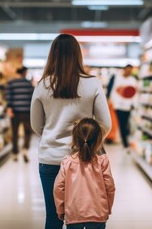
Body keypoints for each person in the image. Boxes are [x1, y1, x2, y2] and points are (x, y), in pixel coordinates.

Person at [30, 34, 111, 229]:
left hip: (50, 159)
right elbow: (105, 124)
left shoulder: (43, 84)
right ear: (78, 55)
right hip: (84, 160)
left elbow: (35, 125)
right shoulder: (92, 83)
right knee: (85, 217)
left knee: (53, 218)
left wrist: (52, 134)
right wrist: (89, 143)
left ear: (53, 55)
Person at [53, 118, 115, 229]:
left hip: (73, 214)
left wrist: (60, 209)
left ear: (76, 139)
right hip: (98, 214)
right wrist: (107, 208)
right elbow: (110, 187)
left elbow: (58, 188)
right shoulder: (102, 162)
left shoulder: (67, 162)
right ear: (98, 140)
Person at [5, 66, 34, 163]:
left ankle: (15, 153)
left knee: (15, 133)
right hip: (26, 112)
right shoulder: (29, 84)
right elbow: (32, 99)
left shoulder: (11, 83)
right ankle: (25, 150)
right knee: (27, 132)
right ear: (25, 72)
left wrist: (9, 109)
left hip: (15, 112)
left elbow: (8, 97)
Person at [107, 64, 137, 149]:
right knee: (117, 123)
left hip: (127, 107)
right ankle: (120, 140)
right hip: (116, 106)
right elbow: (110, 89)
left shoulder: (133, 80)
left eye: (130, 70)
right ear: (124, 69)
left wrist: (133, 104)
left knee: (124, 124)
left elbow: (135, 93)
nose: (129, 72)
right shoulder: (116, 77)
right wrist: (109, 100)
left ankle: (124, 141)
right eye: (127, 70)